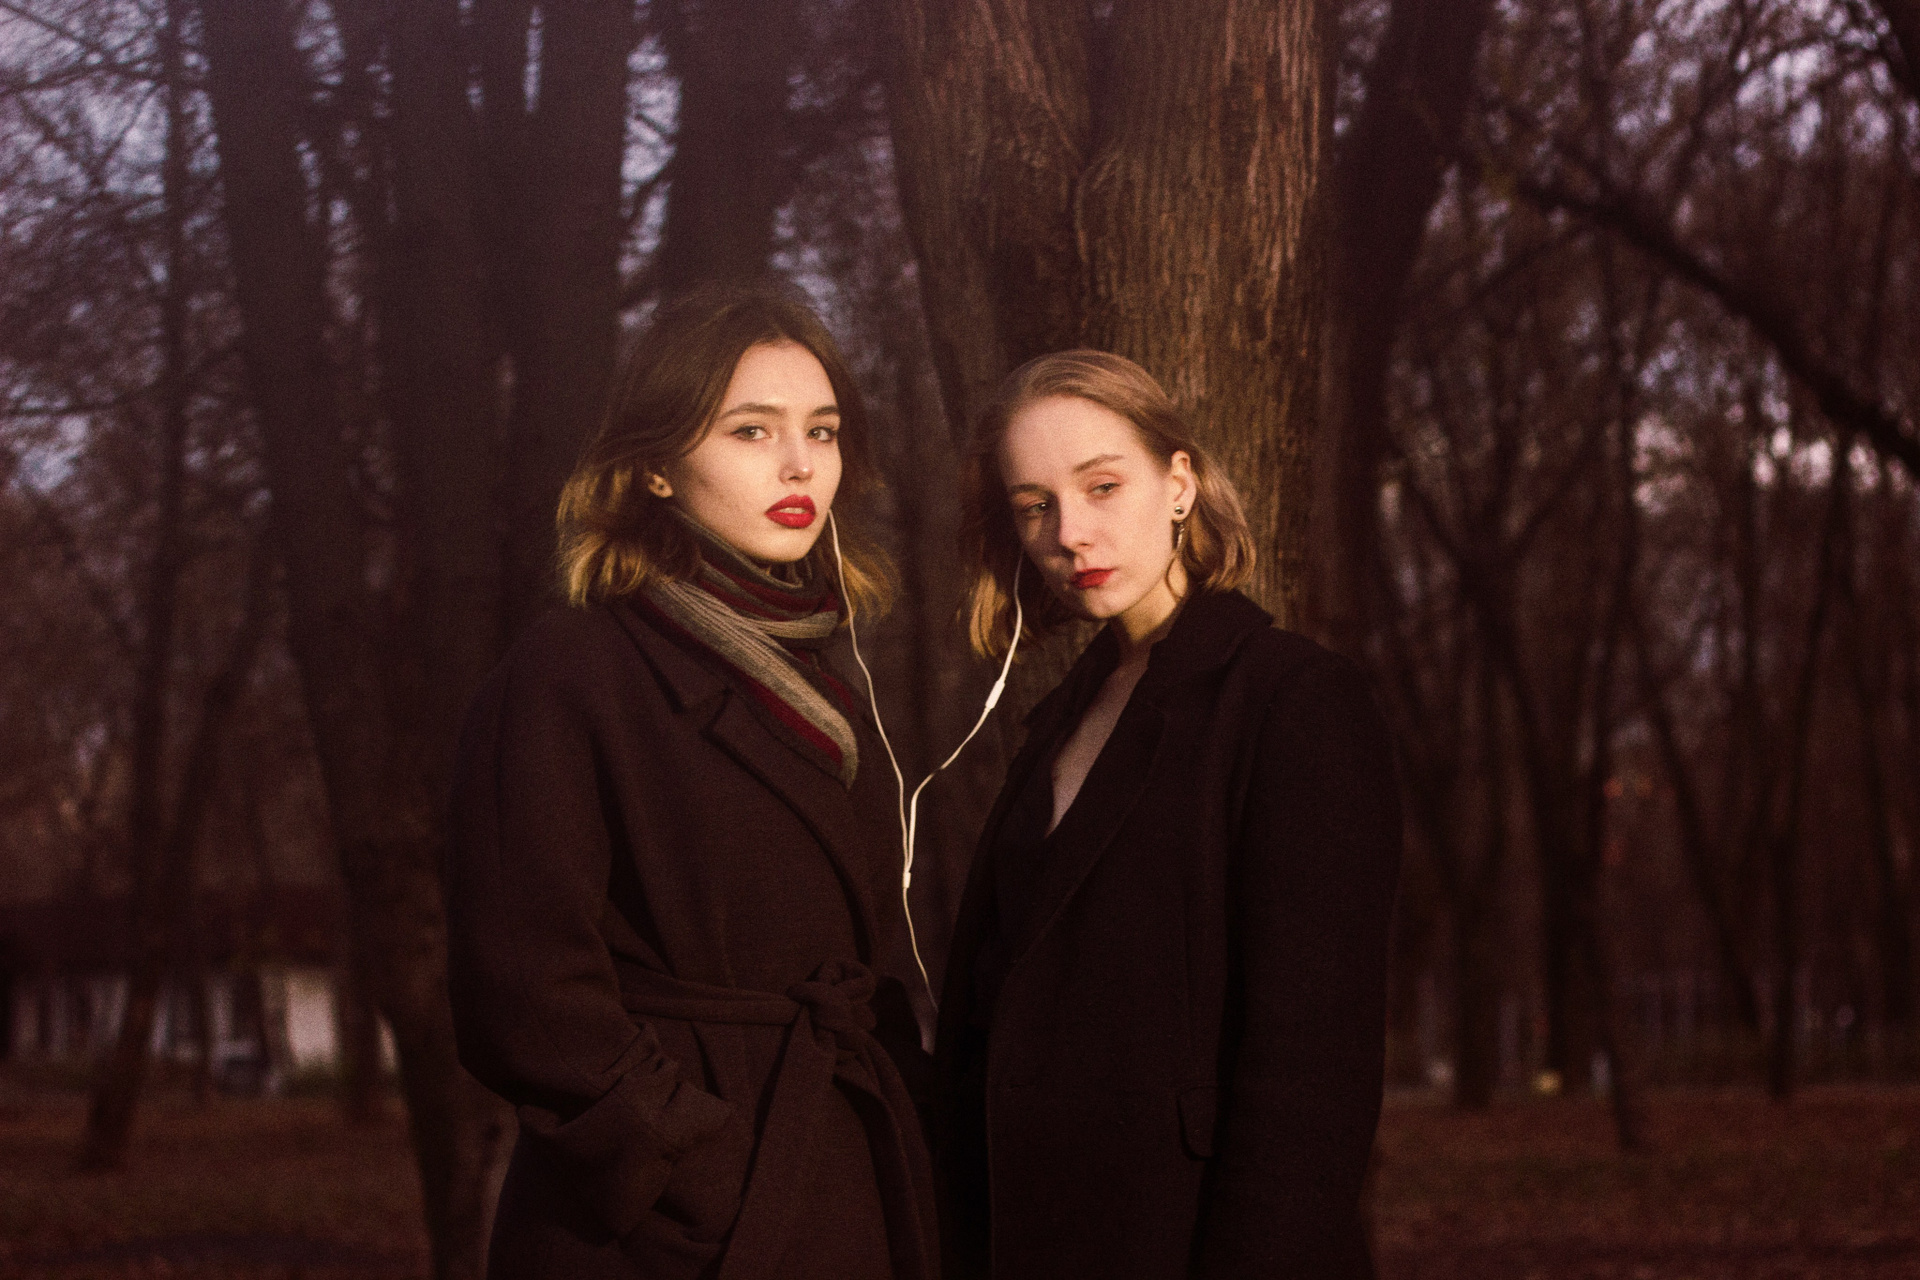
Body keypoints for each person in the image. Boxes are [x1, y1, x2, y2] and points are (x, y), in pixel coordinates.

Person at [446, 285, 936, 1280]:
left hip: (837, 1180)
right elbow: (523, 989)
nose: (800, 464)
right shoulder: (573, 670)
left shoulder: (832, 678)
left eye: (822, 430)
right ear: (657, 466)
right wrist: (689, 1164)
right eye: (752, 430)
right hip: (660, 1230)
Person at [934, 350, 1403, 1279]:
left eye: (1103, 486)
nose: (1070, 533)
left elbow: (1311, 1078)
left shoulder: (1292, 702)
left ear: (1179, 484)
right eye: (1034, 505)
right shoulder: (1063, 717)